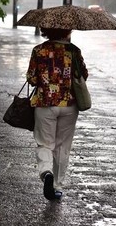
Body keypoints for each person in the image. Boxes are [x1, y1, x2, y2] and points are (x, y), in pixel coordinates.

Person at [26, 27, 88, 200]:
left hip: (45, 104)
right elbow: (83, 75)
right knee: (62, 146)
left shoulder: (39, 50)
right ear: (67, 30)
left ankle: (46, 173)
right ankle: (57, 186)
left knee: (45, 144)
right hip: (69, 105)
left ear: (47, 31)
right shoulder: (74, 51)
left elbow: (31, 78)